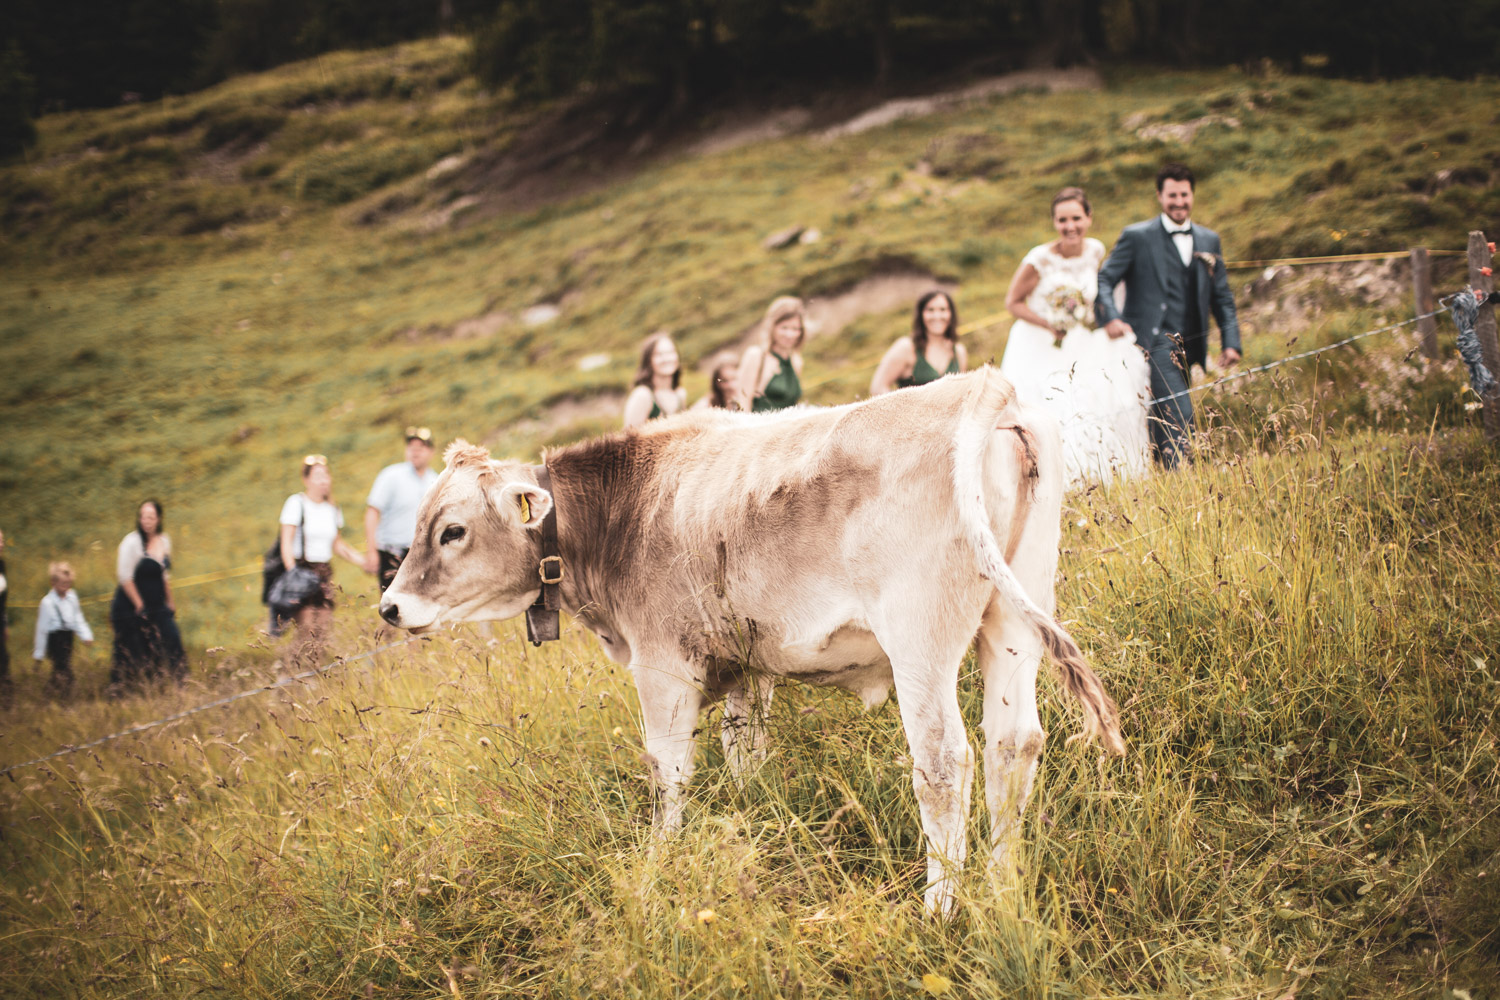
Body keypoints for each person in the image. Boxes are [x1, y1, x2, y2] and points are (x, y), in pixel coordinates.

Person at [999, 186, 1152, 489]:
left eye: (1076, 218)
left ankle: (1094, 472)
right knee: (1049, 406)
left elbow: (1099, 296)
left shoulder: (1095, 250)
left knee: (1090, 399)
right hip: (1040, 343)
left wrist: (1108, 320)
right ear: (1054, 222)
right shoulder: (1039, 259)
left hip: (1080, 340)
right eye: (1062, 220)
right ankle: (1044, 477)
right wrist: (1048, 323)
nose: (1070, 227)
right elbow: (1013, 303)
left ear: (1089, 218)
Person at [1096, 163, 1242, 469]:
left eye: (1184, 195)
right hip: (1154, 339)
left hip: (1193, 342)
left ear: (1192, 195)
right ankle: (1183, 476)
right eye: (1172, 195)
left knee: (1161, 410)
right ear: (1160, 196)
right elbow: (1105, 278)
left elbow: (1222, 296)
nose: (1179, 201)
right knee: (1179, 408)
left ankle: (1160, 471)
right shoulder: (1137, 236)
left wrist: (1231, 342)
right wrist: (1110, 316)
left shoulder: (1208, 240)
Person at [278, 455, 364, 662]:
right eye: (317, 475)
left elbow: (337, 544)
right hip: (302, 570)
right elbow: (286, 542)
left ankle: (314, 676)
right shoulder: (296, 503)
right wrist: (292, 573)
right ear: (306, 479)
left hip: (324, 571)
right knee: (306, 628)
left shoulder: (332, 509)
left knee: (324, 628)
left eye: (326, 474)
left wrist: (363, 561)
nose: (323, 480)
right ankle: (292, 673)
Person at [108, 499, 187, 691]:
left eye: (150, 517)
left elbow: (164, 575)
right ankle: (129, 690)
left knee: (171, 638)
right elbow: (124, 577)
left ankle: (181, 684)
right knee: (135, 649)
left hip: (157, 602)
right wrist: (139, 605)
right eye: (143, 516)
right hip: (131, 605)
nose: (146, 521)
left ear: (158, 519)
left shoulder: (164, 540)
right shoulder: (131, 543)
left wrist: (170, 602)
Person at [364, 427, 439, 591]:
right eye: (411, 448)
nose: (415, 452)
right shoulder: (391, 476)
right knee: (392, 608)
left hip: (422, 555)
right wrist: (371, 551)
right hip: (392, 553)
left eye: (421, 448)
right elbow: (372, 513)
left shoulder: (436, 481)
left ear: (431, 451)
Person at [869, 291, 968, 395]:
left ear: (951, 314)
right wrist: (901, 410)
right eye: (930, 310)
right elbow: (878, 387)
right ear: (921, 314)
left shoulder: (959, 352)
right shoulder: (906, 347)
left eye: (943, 310)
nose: (937, 316)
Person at [32, 561, 93, 699]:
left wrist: (85, 635)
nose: (66, 587)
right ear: (53, 583)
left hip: (68, 636)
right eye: (62, 584)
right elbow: (41, 629)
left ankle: (51, 694)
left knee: (61, 667)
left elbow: (78, 618)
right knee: (62, 666)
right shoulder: (47, 603)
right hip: (54, 638)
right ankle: (67, 694)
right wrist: (39, 654)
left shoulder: (72, 597)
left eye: (68, 583)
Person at [737, 296, 806, 412]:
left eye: (795, 329)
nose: (790, 334)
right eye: (784, 328)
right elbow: (743, 403)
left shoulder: (796, 361)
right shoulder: (756, 356)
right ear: (772, 327)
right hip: (759, 427)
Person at [623, 336, 688, 428]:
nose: (666, 359)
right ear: (648, 361)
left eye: (671, 352)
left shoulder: (680, 394)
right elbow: (628, 438)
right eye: (658, 354)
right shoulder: (642, 395)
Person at [0, 529, 10, 706]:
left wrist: (4, 623)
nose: (2, 544)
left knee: (3, 659)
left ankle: (8, 703)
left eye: (2, 540)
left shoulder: (1, 565)